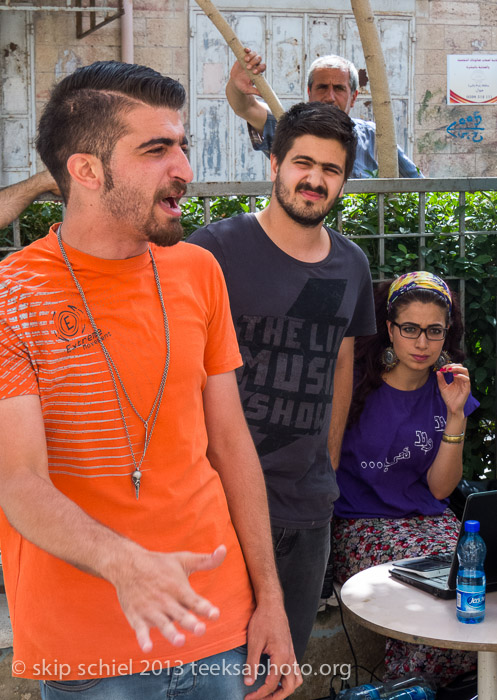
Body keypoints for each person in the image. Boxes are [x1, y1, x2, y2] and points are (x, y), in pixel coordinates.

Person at [0, 60, 301, 700]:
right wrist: (127, 565)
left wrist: (269, 599)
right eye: (157, 149)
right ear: (86, 170)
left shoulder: (198, 271)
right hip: (88, 642)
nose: (185, 170)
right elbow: (17, 479)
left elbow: (231, 445)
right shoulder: (13, 294)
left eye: (183, 146)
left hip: (218, 621)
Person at [189, 101, 376, 661]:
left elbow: (342, 364)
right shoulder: (212, 251)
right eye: (303, 162)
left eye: (331, 169)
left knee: (277, 675)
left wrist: (330, 461)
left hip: (305, 510)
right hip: (215, 503)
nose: (315, 179)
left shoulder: (352, 265)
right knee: (211, 676)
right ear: (274, 163)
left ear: (344, 179)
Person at [332, 271, 479, 684]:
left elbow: (440, 489)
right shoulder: (355, 383)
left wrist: (455, 414)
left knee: (472, 586)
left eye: (434, 331)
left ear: (447, 333)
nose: (422, 343)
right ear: (389, 328)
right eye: (410, 328)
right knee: (422, 607)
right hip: (361, 524)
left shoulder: (449, 391)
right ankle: (410, 690)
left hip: (430, 521)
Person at [227, 49, 422, 179]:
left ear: (353, 97)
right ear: (309, 93)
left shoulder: (374, 137)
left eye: (338, 88)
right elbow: (245, 107)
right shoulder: (289, 129)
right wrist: (236, 85)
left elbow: (418, 187)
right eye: (322, 87)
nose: (330, 97)